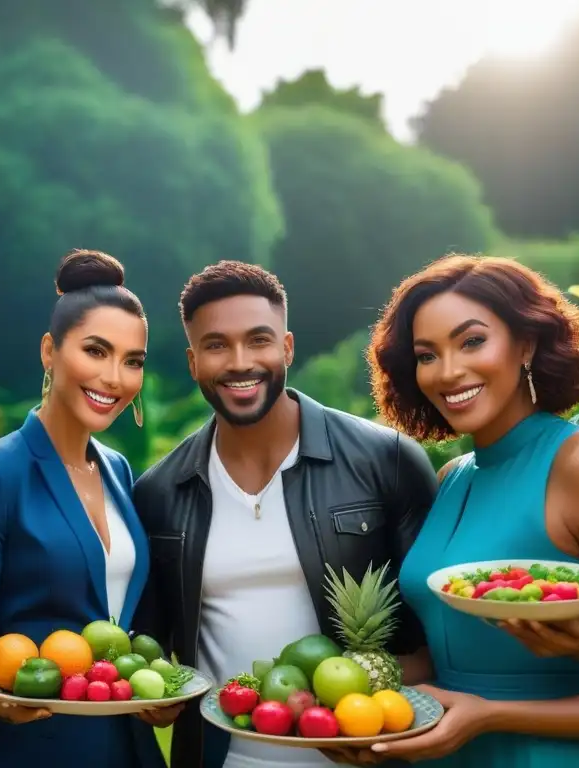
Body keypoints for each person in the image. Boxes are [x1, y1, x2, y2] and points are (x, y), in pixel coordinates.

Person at [132, 261, 438, 768]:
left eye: (258, 340)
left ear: (287, 348)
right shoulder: (160, 491)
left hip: (362, 753)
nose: (239, 362)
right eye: (215, 345)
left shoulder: (388, 461)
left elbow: (438, 639)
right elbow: (153, 652)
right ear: (192, 362)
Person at [355, 253, 579, 767]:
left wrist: (494, 713)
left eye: (472, 341)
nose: (449, 371)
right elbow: (451, 657)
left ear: (526, 343)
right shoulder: (453, 478)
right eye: (426, 354)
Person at [0, 250, 169, 768]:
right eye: (96, 351)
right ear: (50, 351)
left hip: (123, 744)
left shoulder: (118, 471)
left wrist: (158, 688)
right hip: (23, 748)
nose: (114, 377)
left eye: (133, 361)